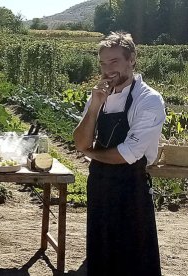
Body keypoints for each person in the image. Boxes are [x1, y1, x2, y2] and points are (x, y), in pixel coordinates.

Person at [73, 32, 165, 276]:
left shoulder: (149, 100)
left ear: (131, 59)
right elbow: (80, 140)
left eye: (114, 61)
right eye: (103, 63)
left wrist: (89, 152)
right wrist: (94, 107)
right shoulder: (98, 96)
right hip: (99, 187)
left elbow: (126, 155)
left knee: (134, 260)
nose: (107, 69)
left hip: (131, 189)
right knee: (100, 255)